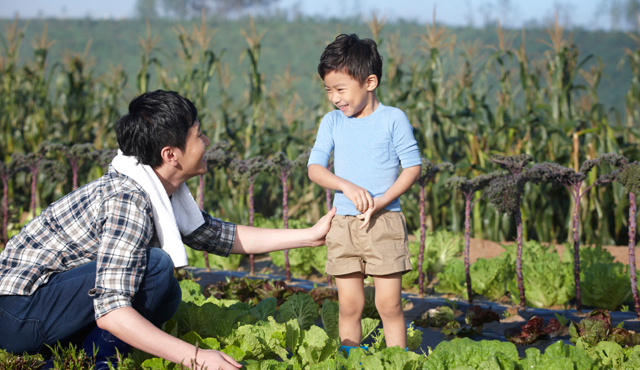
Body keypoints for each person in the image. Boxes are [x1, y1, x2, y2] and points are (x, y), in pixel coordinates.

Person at [0, 90, 336, 370]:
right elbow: (111, 310)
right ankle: (94, 362)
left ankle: (71, 355)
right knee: (157, 267)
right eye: (199, 134)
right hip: (18, 313)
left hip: (41, 308)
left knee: (166, 294)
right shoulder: (128, 200)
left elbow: (218, 236)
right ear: (170, 154)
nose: (207, 141)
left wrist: (310, 235)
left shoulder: (158, 188)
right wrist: (197, 358)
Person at [307, 34, 421, 351]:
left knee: (389, 305)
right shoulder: (331, 122)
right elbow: (314, 168)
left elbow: (412, 167)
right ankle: (350, 360)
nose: (334, 98)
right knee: (350, 306)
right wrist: (345, 184)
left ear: (369, 82)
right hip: (343, 224)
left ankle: (397, 359)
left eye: (341, 89)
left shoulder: (393, 119)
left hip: (384, 221)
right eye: (329, 90)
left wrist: (381, 201)